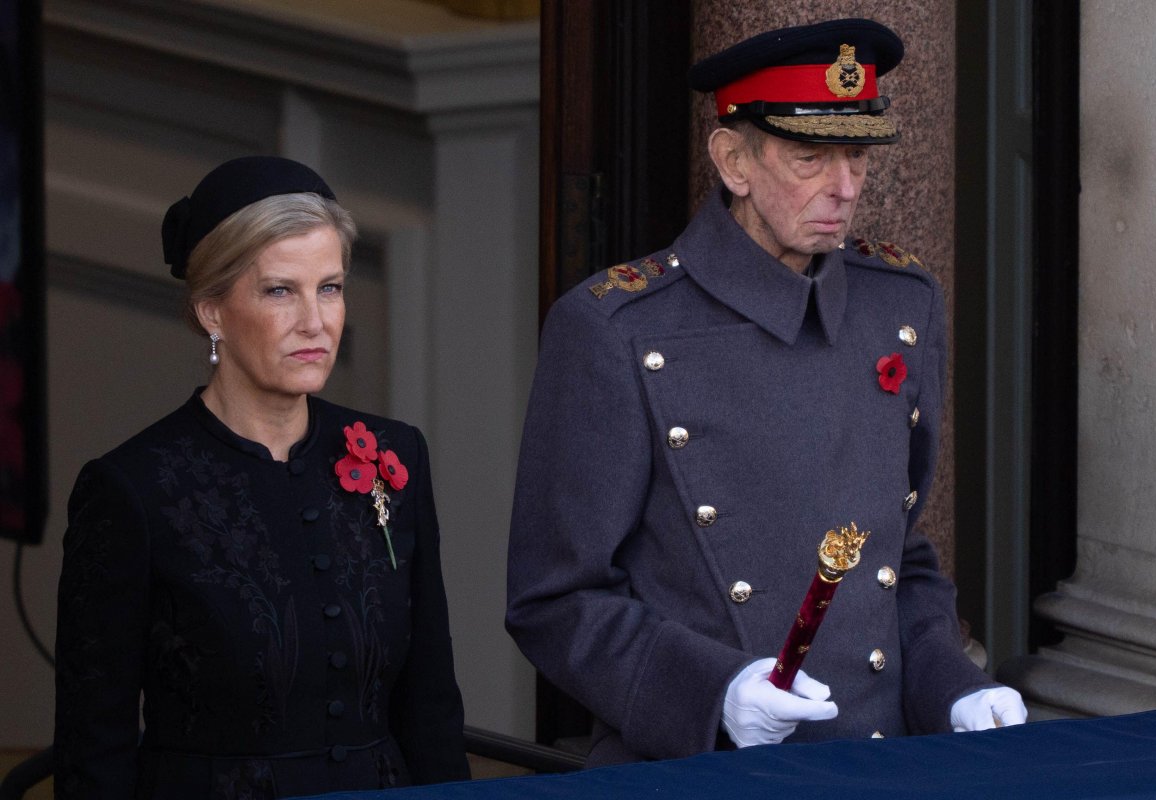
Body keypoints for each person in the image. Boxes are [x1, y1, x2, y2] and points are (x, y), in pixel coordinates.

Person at [506, 18, 1026, 767]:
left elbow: (896, 558)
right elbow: (553, 600)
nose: (843, 189)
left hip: (881, 764)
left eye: (856, 155)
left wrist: (954, 686)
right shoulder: (613, 328)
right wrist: (713, 692)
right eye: (810, 156)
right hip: (701, 770)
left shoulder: (900, 306)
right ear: (732, 160)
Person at [53, 156, 470, 798]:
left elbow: (431, 705)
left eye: (329, 287)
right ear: (211, 311)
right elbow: (94, 753)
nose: (317, 322)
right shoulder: (132, 490)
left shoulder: (395, 453)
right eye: (280, 290)